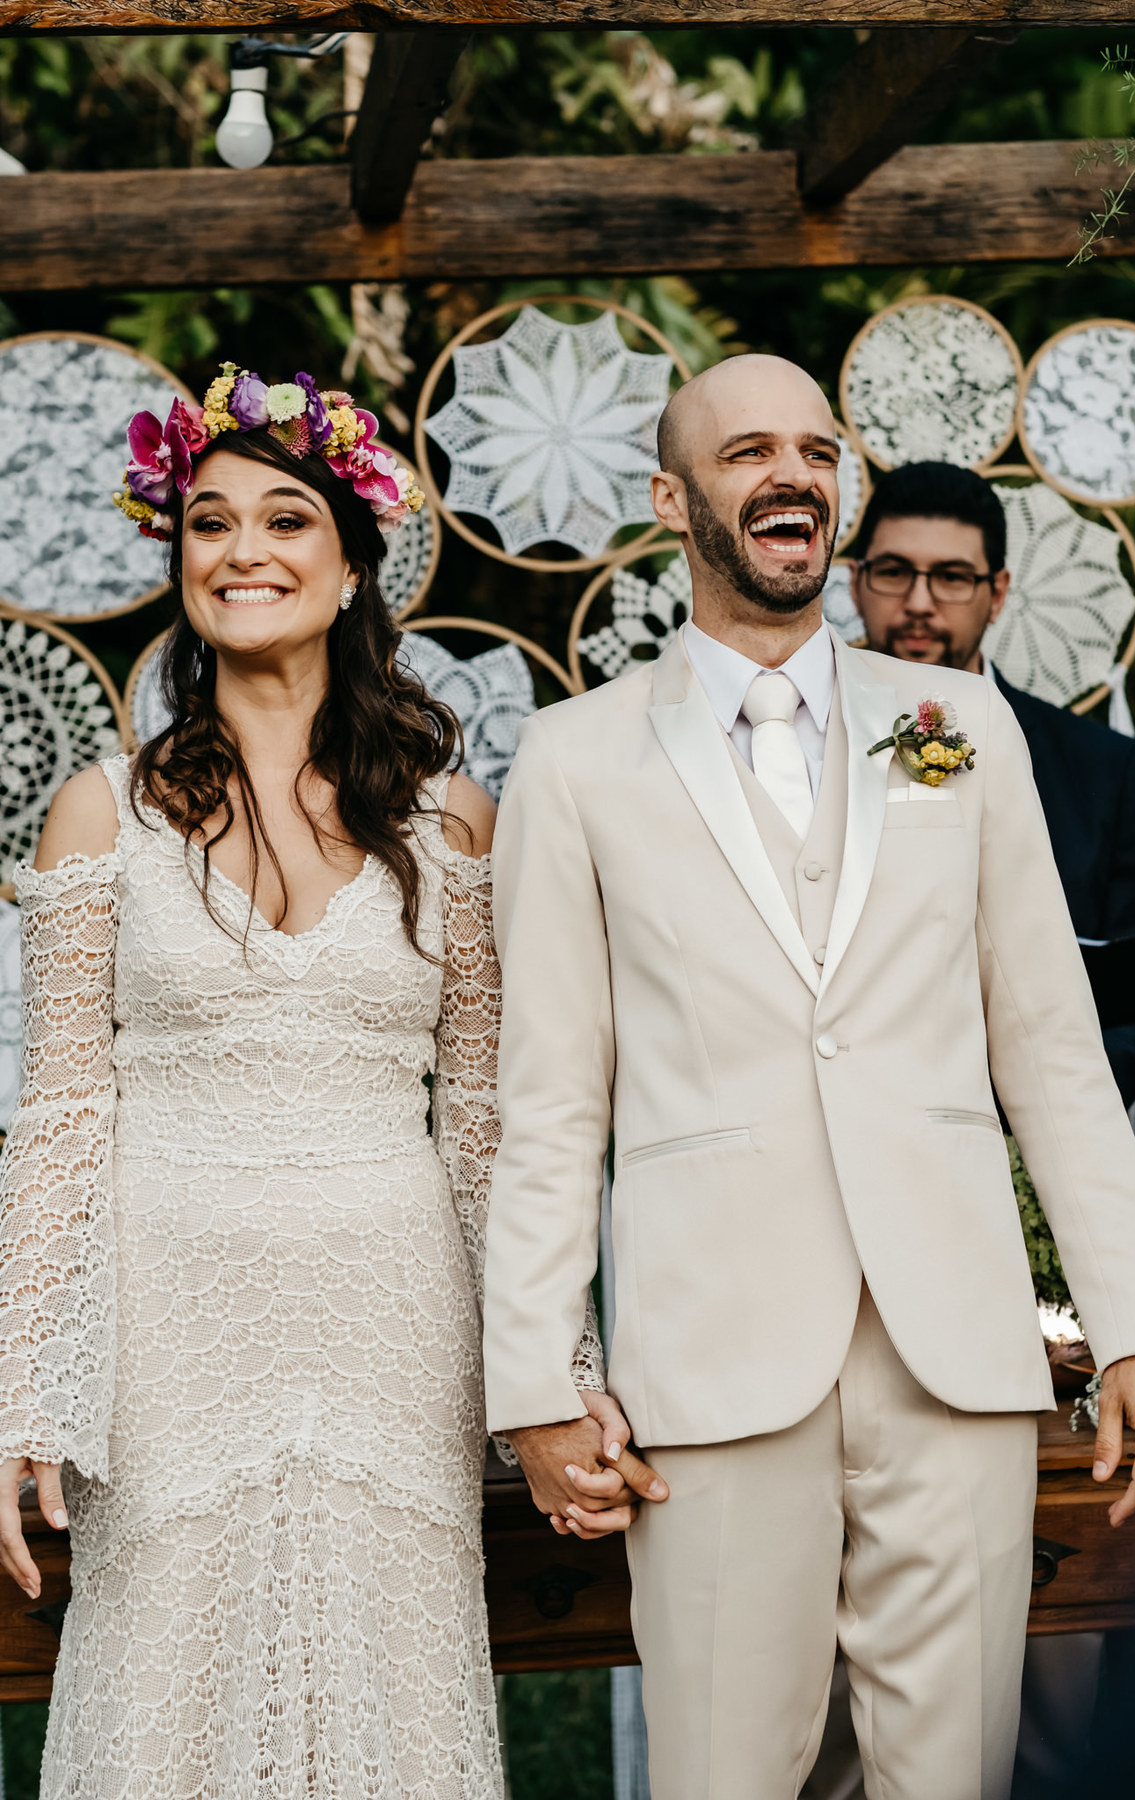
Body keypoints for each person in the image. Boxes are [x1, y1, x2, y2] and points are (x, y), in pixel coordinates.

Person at [481, 354, 1135, 1800]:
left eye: (815, 448)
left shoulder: (958, 729)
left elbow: (1052, 1051)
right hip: (714, 1371)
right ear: (675, 500)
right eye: (748, 451)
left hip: (960, 1368)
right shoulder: (574, 761)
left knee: (956, 1779)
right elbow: (547, 1099)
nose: (791, 474)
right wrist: (537, 1380)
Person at [0, 365, 644, 1798]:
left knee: (385, 1692)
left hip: (387, 1315)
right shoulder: (98, 811)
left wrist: (556, 1374)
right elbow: (55, 1121)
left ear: (350, 566)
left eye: (286, 520)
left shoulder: (455, 820)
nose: (243, 551)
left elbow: (487, 1125)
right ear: (180, 563)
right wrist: (26, 1390)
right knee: (167, 1686)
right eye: (210, 521)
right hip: (166, 1321)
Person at [850, 460, 1135, 1108]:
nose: (918, 602)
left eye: (950, 577)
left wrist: (1015, 1113)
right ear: (856, 583)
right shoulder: (788, 747)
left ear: (997, 593)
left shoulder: (1105, 771)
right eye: (893, 572)